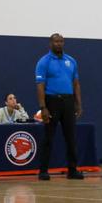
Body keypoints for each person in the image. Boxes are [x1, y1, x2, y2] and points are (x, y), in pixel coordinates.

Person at [35, 33, 83, 181]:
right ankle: (43, 171)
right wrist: (43, 107)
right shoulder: (44, 61)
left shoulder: (71, 61)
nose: (59, 44)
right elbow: (40, 85)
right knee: (48, 137)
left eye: (61, 41)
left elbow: (76, 84)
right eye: (56, 41)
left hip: (68, 101)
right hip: (51, 101)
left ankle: (72, 170)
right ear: (50, 43)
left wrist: (78, 104)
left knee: (71, 137)